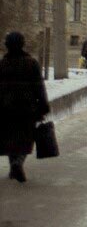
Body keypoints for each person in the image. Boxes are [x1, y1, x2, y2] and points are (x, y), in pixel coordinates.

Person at [0, 32, 50, 183]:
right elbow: (39, 87)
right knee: (25, 138)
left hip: (5, 108)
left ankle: (13, 166)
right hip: (27, 109)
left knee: (10, 138)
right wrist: (43, 106)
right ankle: (18, 163)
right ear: (22, 44)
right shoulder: (31, 63)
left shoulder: (2, 64)